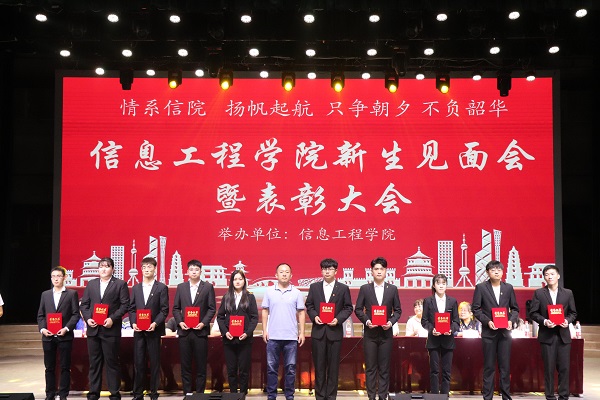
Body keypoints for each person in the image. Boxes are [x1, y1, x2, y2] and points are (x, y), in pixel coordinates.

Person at [80, 257, 130, 400]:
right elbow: (84, 305)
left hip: (110, 329)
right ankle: (93, 392)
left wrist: (112, 319)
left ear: (112, 269)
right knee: (94, 362)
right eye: (101, 266)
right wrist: (88, 318)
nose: (103, 269)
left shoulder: (120, 284)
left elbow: (125, 305)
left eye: (107, 266)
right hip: (94, 329)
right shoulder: (91, 284)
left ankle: (114, 393)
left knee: (112, 362)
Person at [305, 258, 354, 400]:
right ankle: (320, 396)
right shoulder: (314, 287)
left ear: (336, 271)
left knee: (333, 368)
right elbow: (309, 305)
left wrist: (338, 319)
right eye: (324, 269)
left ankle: (331, 397)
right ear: (321, 271)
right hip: (318, 332)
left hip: (335, 332)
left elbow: (348, 307)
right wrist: (314, 316)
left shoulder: (343, 288)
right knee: (319, 367)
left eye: (330, 269)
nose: (327, 272)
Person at [354, 257, 402, 400]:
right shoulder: (365, 288)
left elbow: (398, 311)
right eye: (376, 269)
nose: (379, 271)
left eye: (381, 269)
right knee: (370, 368)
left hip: (386, 334)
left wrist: (391, 322)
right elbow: (358, 309)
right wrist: (367, 321)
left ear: (386, 271)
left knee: (384, 368)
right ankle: (371, 397)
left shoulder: (392, 289)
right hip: (370, 334)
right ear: (372, 271)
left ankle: (382, 396)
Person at [472, 260, 519, 400]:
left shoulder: (508, 288)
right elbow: (476, 309)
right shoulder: (481, 287)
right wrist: (487, 322)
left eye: (499, 269)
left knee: (505, 367)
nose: (496, 272)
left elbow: (515, 309)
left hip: (505, 333)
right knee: (489, 367)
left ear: (503, 272)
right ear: (487, 272)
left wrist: (511, 320)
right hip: (489, 333)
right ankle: (488, 397)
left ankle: (506, 396)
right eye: (493, 270)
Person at [529, 264, 577, 400]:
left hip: (563, 336)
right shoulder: (539, 293)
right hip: (547, 336)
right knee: (549, 369)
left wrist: (567, 321)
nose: (549, 277)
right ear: (544, 278)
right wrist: (545, 321)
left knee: (564, 368)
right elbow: (533, 313)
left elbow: (573, 313)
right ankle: (549, 396)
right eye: (546, 275)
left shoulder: (568, 293)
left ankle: (563, 396)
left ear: (558, 276)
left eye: (552, 274)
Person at [262, 263, 306, 400]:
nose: (284, 274)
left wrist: (302, 332)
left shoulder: (296, 292)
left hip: (291, 337)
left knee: (291, 368)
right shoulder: (269, 291)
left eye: (287, 272)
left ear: (291, 275)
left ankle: (289, 395)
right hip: (273, 336)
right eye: (281, 272)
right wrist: (264, 330)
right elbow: (265, 311)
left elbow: (301, 313)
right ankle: (271, 396)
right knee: (271, 368)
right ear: (276, 275)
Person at [172, 259, 216, 395]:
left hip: (200, 332)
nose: (194, 272)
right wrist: (180, 322)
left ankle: (200, 394)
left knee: (201, 365)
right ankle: (187, 393)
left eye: (196, 269)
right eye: (191, 269)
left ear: (200, 271)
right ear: (187, 272)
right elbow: (176, 308)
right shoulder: (181, 287)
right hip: (184, 332)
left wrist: (203, 323)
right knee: (185, 365)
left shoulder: (207, 287)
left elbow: (212, 308)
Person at [36, 266, 80, 400]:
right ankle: (50, 394)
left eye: (59, 276)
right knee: (49, 367)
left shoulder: (71, 294)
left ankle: (63, 394)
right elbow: (41, 315)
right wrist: (43, 329)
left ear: (64, 277)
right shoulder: (45, 294)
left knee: (65, 367)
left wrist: (66, 328)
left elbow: (75, 314)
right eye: (53, 276)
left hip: (64, 336)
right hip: (48, 336)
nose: (56, 279)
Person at [129, 257, 169, 400]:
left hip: (154, 331)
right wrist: (133, 322)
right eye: (144, 267)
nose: (147, 270)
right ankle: (138, 393)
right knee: (138, 362)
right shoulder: (136, 288)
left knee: (154, 363)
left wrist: (155, 323)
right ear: (141, 269)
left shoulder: (161, 287)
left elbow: (164, 310)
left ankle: (154, 393)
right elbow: (132, 308)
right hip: (139, 331)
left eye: (150, 267)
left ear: (155, 269)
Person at [216, 270, 259, 396]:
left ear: (244, 281)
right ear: (231, 282)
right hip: (229, 339)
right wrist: (225, 332)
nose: (238, 281)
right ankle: (233, 394)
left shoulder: (250, 297)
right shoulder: (226, 297)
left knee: (244, 370)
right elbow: (220, 317)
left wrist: (247, 332)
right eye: (235, 279)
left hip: (245, 339)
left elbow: (254, 317)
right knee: (231, 369)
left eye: (240, 279)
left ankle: (243, 394)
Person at [421, 274, 459, 395]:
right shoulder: (428, 301)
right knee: (434, 371)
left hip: (448, 340)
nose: (441, 286)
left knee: (447, 371)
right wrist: (432, 329)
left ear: (446, 285)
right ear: (434, 285)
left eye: (443, 283)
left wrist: (451, 329)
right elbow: (424, 321)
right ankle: (434, 396)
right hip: (433, 340)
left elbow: (456, 322)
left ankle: (444, 395)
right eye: (438, 283)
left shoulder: (452, 301)